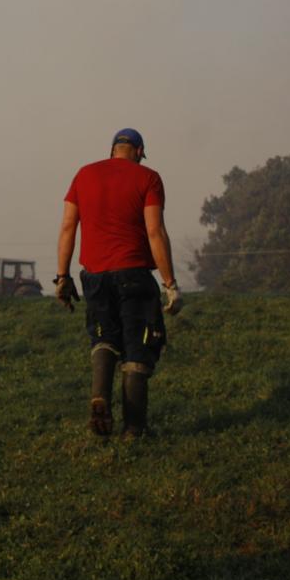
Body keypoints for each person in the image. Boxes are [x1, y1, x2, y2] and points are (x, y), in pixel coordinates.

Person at [55, 128, 181, 439]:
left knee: (103, 338)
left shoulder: (84, 175)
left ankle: (100, 393)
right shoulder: (148, 178)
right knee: (138, 348)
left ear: (112, 149)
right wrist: (170, 283)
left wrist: (63, 277)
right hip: (134, 274)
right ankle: (134, 429)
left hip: (94, 276)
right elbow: (155, 232)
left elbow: (69, 226)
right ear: (138, 151)